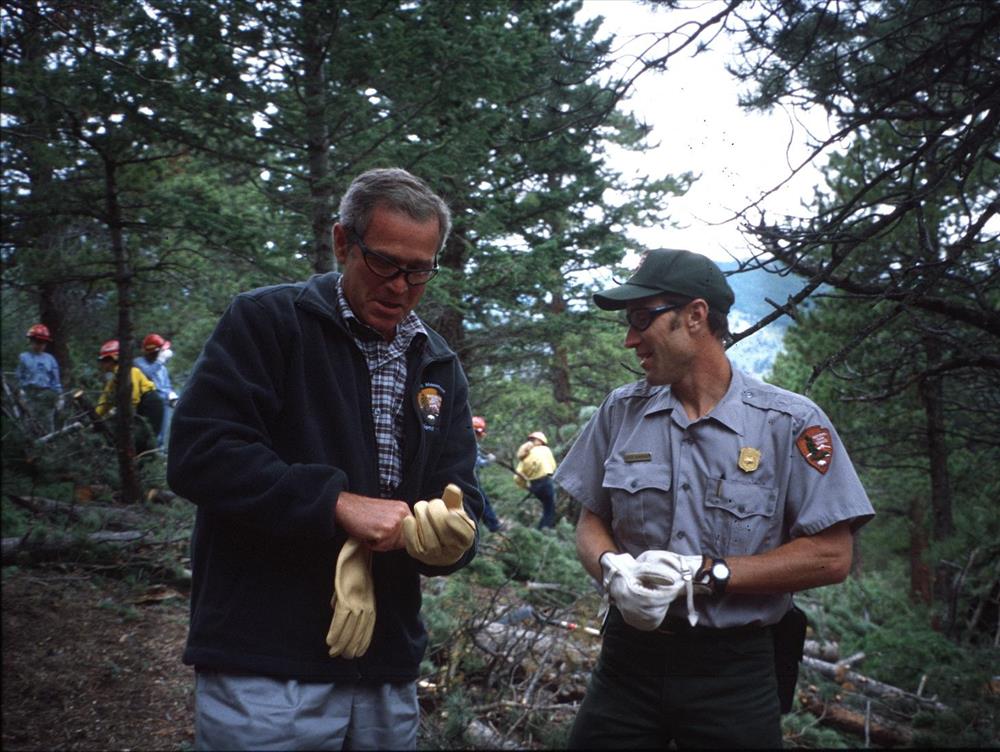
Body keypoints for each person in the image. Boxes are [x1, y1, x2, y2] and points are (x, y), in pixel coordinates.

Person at [166, 167, 483, 751]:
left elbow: (462, 493)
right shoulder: (269, 322)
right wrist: (335, 503)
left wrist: (451, 540)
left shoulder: (438, 366)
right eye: (384, 263)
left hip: (387, 665)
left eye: (419, 270)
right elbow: (201, 452)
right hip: (266, 660)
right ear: (343, 243)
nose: (400, 286)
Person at [554, 248, 875, 749]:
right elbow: (591, 521)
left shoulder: (788, 423)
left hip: (734, 674)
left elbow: (832, 556)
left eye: (641, 318)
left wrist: (706, 574)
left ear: (695, 316)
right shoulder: (621, 411)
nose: (629, 339)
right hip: (627, 664)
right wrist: (613, 570)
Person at [95, 339, 164, 453]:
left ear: (113, 359)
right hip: (142, 405)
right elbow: (105, 401)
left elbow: (133, 396)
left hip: (151, 404)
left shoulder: (131, 372)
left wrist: (128, 415)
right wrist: (95, 417)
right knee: (137, 441)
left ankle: (149, 460)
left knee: (146, 440)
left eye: (104, 360)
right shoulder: (114, 379)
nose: (102, 364)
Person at [15, 323, 62, 433]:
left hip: (46, 395)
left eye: (43, 342)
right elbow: (19, 376)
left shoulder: (50, 359)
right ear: (31, 341)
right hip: (29, 395)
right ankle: (30, 442)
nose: (40, 345)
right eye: (37, 342)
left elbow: (55, 379)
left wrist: (59, 396)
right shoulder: (24, 357)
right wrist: (20, 392)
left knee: (48, 423)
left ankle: (49, 441)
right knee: (30, 423)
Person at [133, 333, 178, 447]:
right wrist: (160, 360)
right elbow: (148, 373)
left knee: (163, 435)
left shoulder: (162, 367)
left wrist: (172, 395)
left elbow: (166, 385)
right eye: (161, 351)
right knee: (151, 434)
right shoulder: (138, 363)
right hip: (150, 405)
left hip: (165, 403)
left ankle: (159, 452)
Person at [514, 431, 558, 529]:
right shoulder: (545, 450)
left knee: (545, 507)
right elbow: (553, 466)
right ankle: (544, 531)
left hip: (534, 485)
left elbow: (517, 477)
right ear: (542, 441)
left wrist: (527, 486)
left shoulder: (525, 456)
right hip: (545, 482)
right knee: (549, 509)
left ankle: (541, 528)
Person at [472, 415, 504, 532]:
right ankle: (493, 525)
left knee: (482, 500)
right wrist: (489, 461)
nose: (479, 437)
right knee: (482, 501)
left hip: (470, 478)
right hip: (469, 478)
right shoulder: (469, 443)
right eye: (478, 433)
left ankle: (491, 524)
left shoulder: (473, 443)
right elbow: (477, 462)